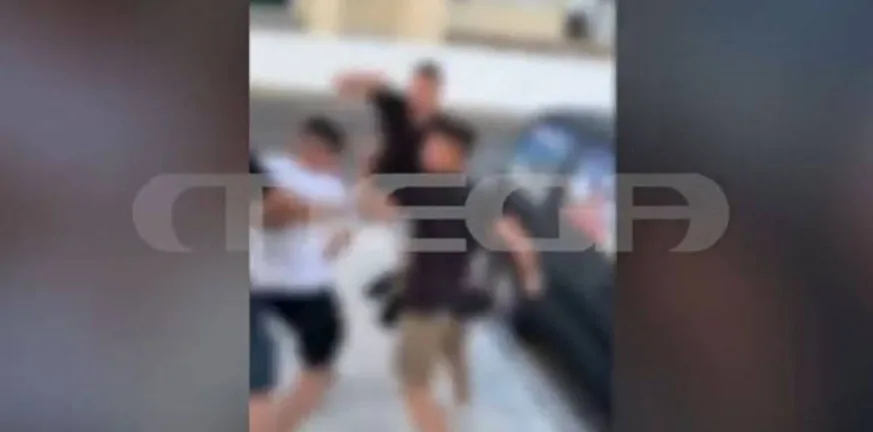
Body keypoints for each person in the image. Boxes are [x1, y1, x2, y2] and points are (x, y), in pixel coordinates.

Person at [362, 114, 542, 432]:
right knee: (454, 353)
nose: (425, 152)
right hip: (458, 298)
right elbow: (519, 242)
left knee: (414, 386)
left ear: (454, 152)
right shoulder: (477, 195)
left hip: (425, 302)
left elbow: (375, 211)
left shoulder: (424, 190)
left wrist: (369, 173)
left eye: (432, 146)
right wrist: (531, 279)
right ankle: (462, 405)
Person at [249, 116, 352, 432]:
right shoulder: (275, 169)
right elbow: (265, 217)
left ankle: (294, 407)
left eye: (327, 153)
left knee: (325, 349)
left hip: (311, 283)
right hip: (267, 282)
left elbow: (342, 230)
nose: (318, 156)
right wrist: (309, 212)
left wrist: (340, 237)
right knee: (260, 361)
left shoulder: (333, 185)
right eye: (312, 146)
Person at [334, 59, 443, 321]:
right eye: (416, 88)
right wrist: (356, 82)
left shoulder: (441, 127)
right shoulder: (396, 107)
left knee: (413, 247)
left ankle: (399, 290)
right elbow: (371, 86)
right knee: (348, 223)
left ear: (436, 92)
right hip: (379, 184)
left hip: (412, 196)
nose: (419, 96)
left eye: (426, 90)